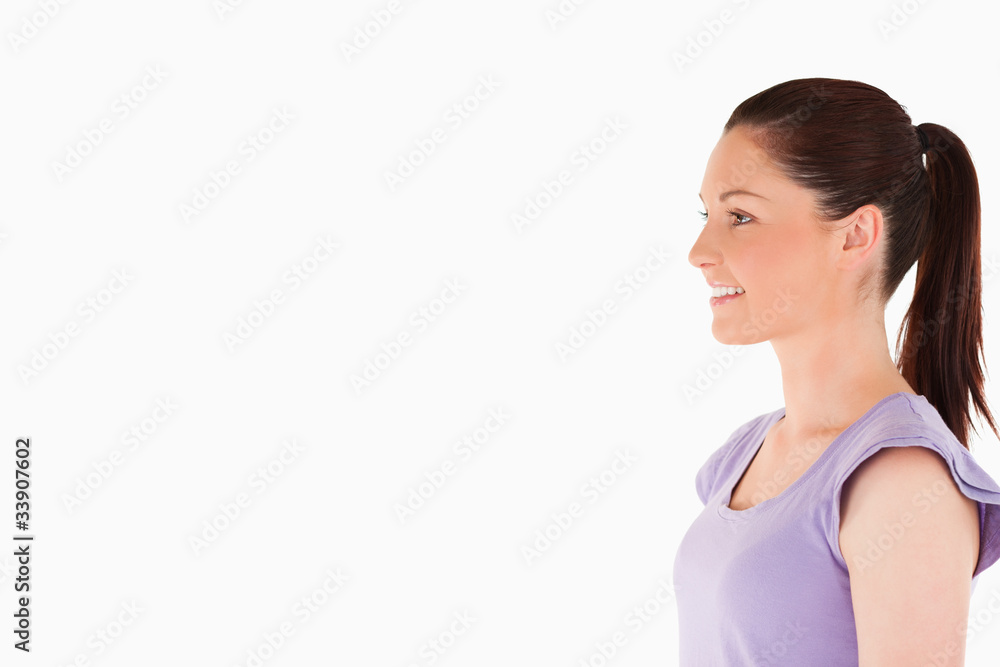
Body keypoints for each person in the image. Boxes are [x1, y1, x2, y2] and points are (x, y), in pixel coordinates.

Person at [672, 77, 1000, 665]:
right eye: (707, 213)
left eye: (740, 216)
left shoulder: (902, 483)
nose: (699, 251)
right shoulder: (744, 454)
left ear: (855, 236)